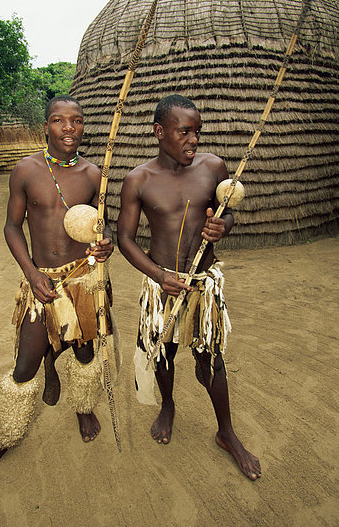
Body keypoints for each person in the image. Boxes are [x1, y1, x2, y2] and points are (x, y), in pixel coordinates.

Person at [117, 94, 261, 481]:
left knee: (210, 358)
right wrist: (159, 275)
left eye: (197, 131)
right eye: (184, 132)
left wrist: (223, 226)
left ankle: (226, 432)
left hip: (202, 288)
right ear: (159, 132)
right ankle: (168, 405)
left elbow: (226, 211)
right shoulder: (139, 179)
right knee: (163, 351)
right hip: (163, 285)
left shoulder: (214, 168)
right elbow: (125, 239)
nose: (193, 140)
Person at [0, 95, 114, 485]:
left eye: (76, 120)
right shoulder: (26, 170)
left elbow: (104, 228)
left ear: (84, 126)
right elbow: (12, 226)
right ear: (46, 126)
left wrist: (106, 245)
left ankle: (83, 406)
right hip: (42, 280)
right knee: (25, 366)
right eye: (59, 120)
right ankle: (3, 437)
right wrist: (32, 271)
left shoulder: (93, 174)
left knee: (85, 353)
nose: (69, 127)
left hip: (84, 280)